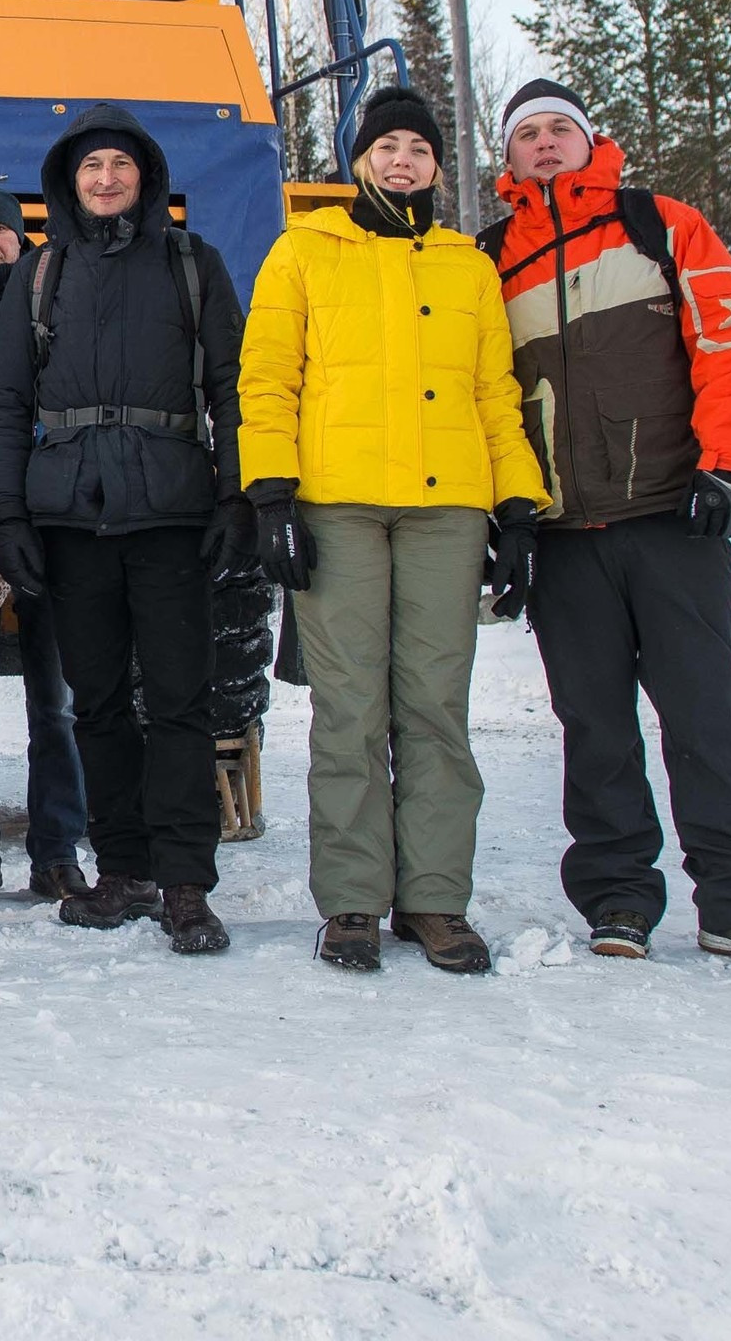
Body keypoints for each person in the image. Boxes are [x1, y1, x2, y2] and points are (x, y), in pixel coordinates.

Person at [483, 78, 731, 970]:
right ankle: (619, 898)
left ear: (592, 143)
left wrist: (727, 465)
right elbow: (483, 399)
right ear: (506, 156)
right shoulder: (488, 259)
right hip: (561, 534)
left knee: (706, 716)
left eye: (560, 130)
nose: (545, 145)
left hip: (673, 515)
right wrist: (501, 515)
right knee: (593, 725)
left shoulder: (657, 223)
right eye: (528, 135)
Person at [240, 88, 548, 974]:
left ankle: (436, 901)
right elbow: (268, 379)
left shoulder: (467, 266)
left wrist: (517, 508)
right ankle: (350, 902)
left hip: (449, 507)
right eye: (386, 148)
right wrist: (271, 494)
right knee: (348, 710)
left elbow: (495, 392)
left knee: (435, 710)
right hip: (338, 503)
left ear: (438, 166)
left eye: (418, 147)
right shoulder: (304, 252)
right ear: (359, 160)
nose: (402, 160)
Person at [0, 103, 256, 955]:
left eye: (121, 166)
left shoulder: (192, 265)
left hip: (173, 513)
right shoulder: (39, 274)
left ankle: (184, 884)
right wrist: (8, 514)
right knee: (94, 705)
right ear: (69, 181)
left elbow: (230, 389)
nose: (106, 180)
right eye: (91, 167)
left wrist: (237, 496)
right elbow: (4, 403)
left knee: (179, 702)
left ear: (146, 179)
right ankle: (124, 870)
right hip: (70, 518)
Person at [0, 183, 88, 902]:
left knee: (56, 698)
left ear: (20, 239)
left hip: (51, 520)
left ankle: (57, 847)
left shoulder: (51, 304)